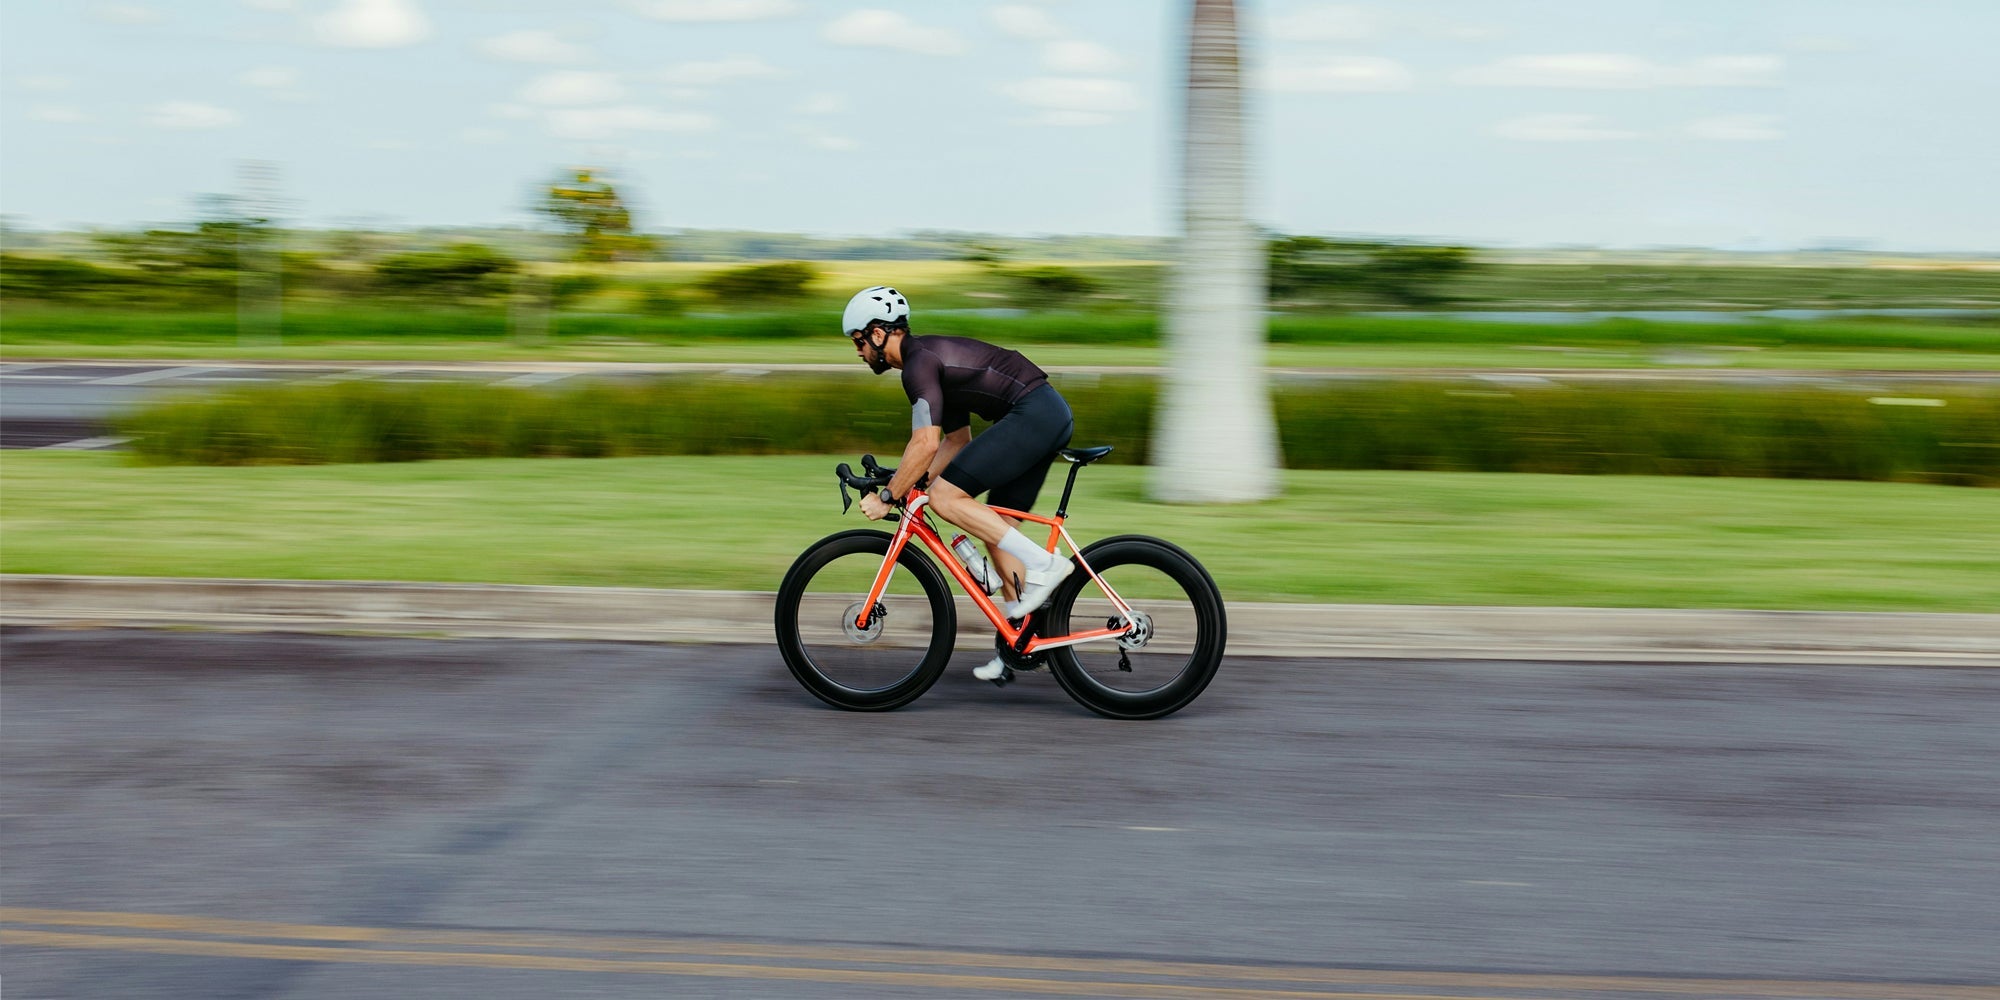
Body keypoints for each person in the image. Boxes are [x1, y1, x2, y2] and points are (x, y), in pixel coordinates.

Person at [843, 285, 1075, 682]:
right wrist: (910, 480)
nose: (858, 350)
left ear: (880, 334)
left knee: (946, 499)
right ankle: (1018, 645)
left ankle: (1046, 564)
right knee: (998, 530)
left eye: (860, 340)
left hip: (1034, 412)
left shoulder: (918, 365)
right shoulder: (927, 362)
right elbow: (955, 441)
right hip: (1041, 413)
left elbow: (924, 442)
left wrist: (888, 495)